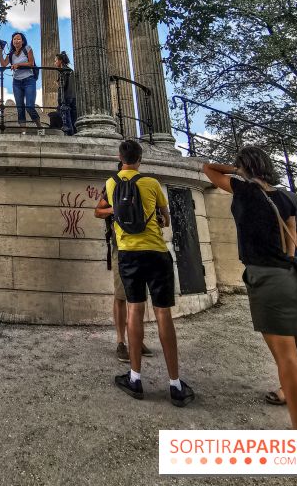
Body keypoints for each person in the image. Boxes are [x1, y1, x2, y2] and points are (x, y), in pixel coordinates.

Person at [204, 148, 297, 461]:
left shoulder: (243, 191)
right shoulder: (285, 199)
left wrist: (238, 170)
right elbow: (290, 247)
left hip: (266, 281)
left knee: (287, 361)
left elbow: (209, 169)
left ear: (245, 168)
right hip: (291, 278)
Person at [106, 139, 194, 406]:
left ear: (120, 158)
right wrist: (156, 216)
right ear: (140, 159)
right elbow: (166, 219)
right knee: (163, 313)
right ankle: (175, 384)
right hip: (156, 252)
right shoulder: (152, 183)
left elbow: (106, 211)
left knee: (134, 309)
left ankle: (135, 378)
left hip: (128, 253)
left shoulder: (111, 184)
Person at [265, 189, 297, 406]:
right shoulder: (280, 197)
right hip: (291, 267)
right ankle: (291, 387)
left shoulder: (284, 196)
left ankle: (292, 389)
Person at [94, 189, 153, 363]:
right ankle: (121, 341)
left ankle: (137, 339)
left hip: (142, 247)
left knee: (138, 298)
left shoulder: (143, 186)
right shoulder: (114, 188)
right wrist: (117, 209)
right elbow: (98, 211)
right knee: (120, 296)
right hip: (120, 248)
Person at [0, 32, 41, 130]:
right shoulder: (11, 54)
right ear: (12, 41)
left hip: (29, 80)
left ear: (22, 41)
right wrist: (0, 52)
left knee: (30, 106)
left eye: (18, 39)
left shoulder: (27, 48)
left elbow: (31, 63)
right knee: (20, 107)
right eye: (14, 39)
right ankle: (23, 131)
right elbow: (3, 65)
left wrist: (19, 65)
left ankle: (39, 127)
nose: (16, 41)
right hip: (16, 82)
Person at [54, 52, 77, 135]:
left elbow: (63, 85)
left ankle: (70, 134)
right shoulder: (70, 70)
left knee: (66, 116)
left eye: (56, 60)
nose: (55, 62)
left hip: (66, 97)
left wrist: (58, 83)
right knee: (73, 117)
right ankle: (75, 133)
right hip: (73, 97)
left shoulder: (64, 71)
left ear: (60, 61)